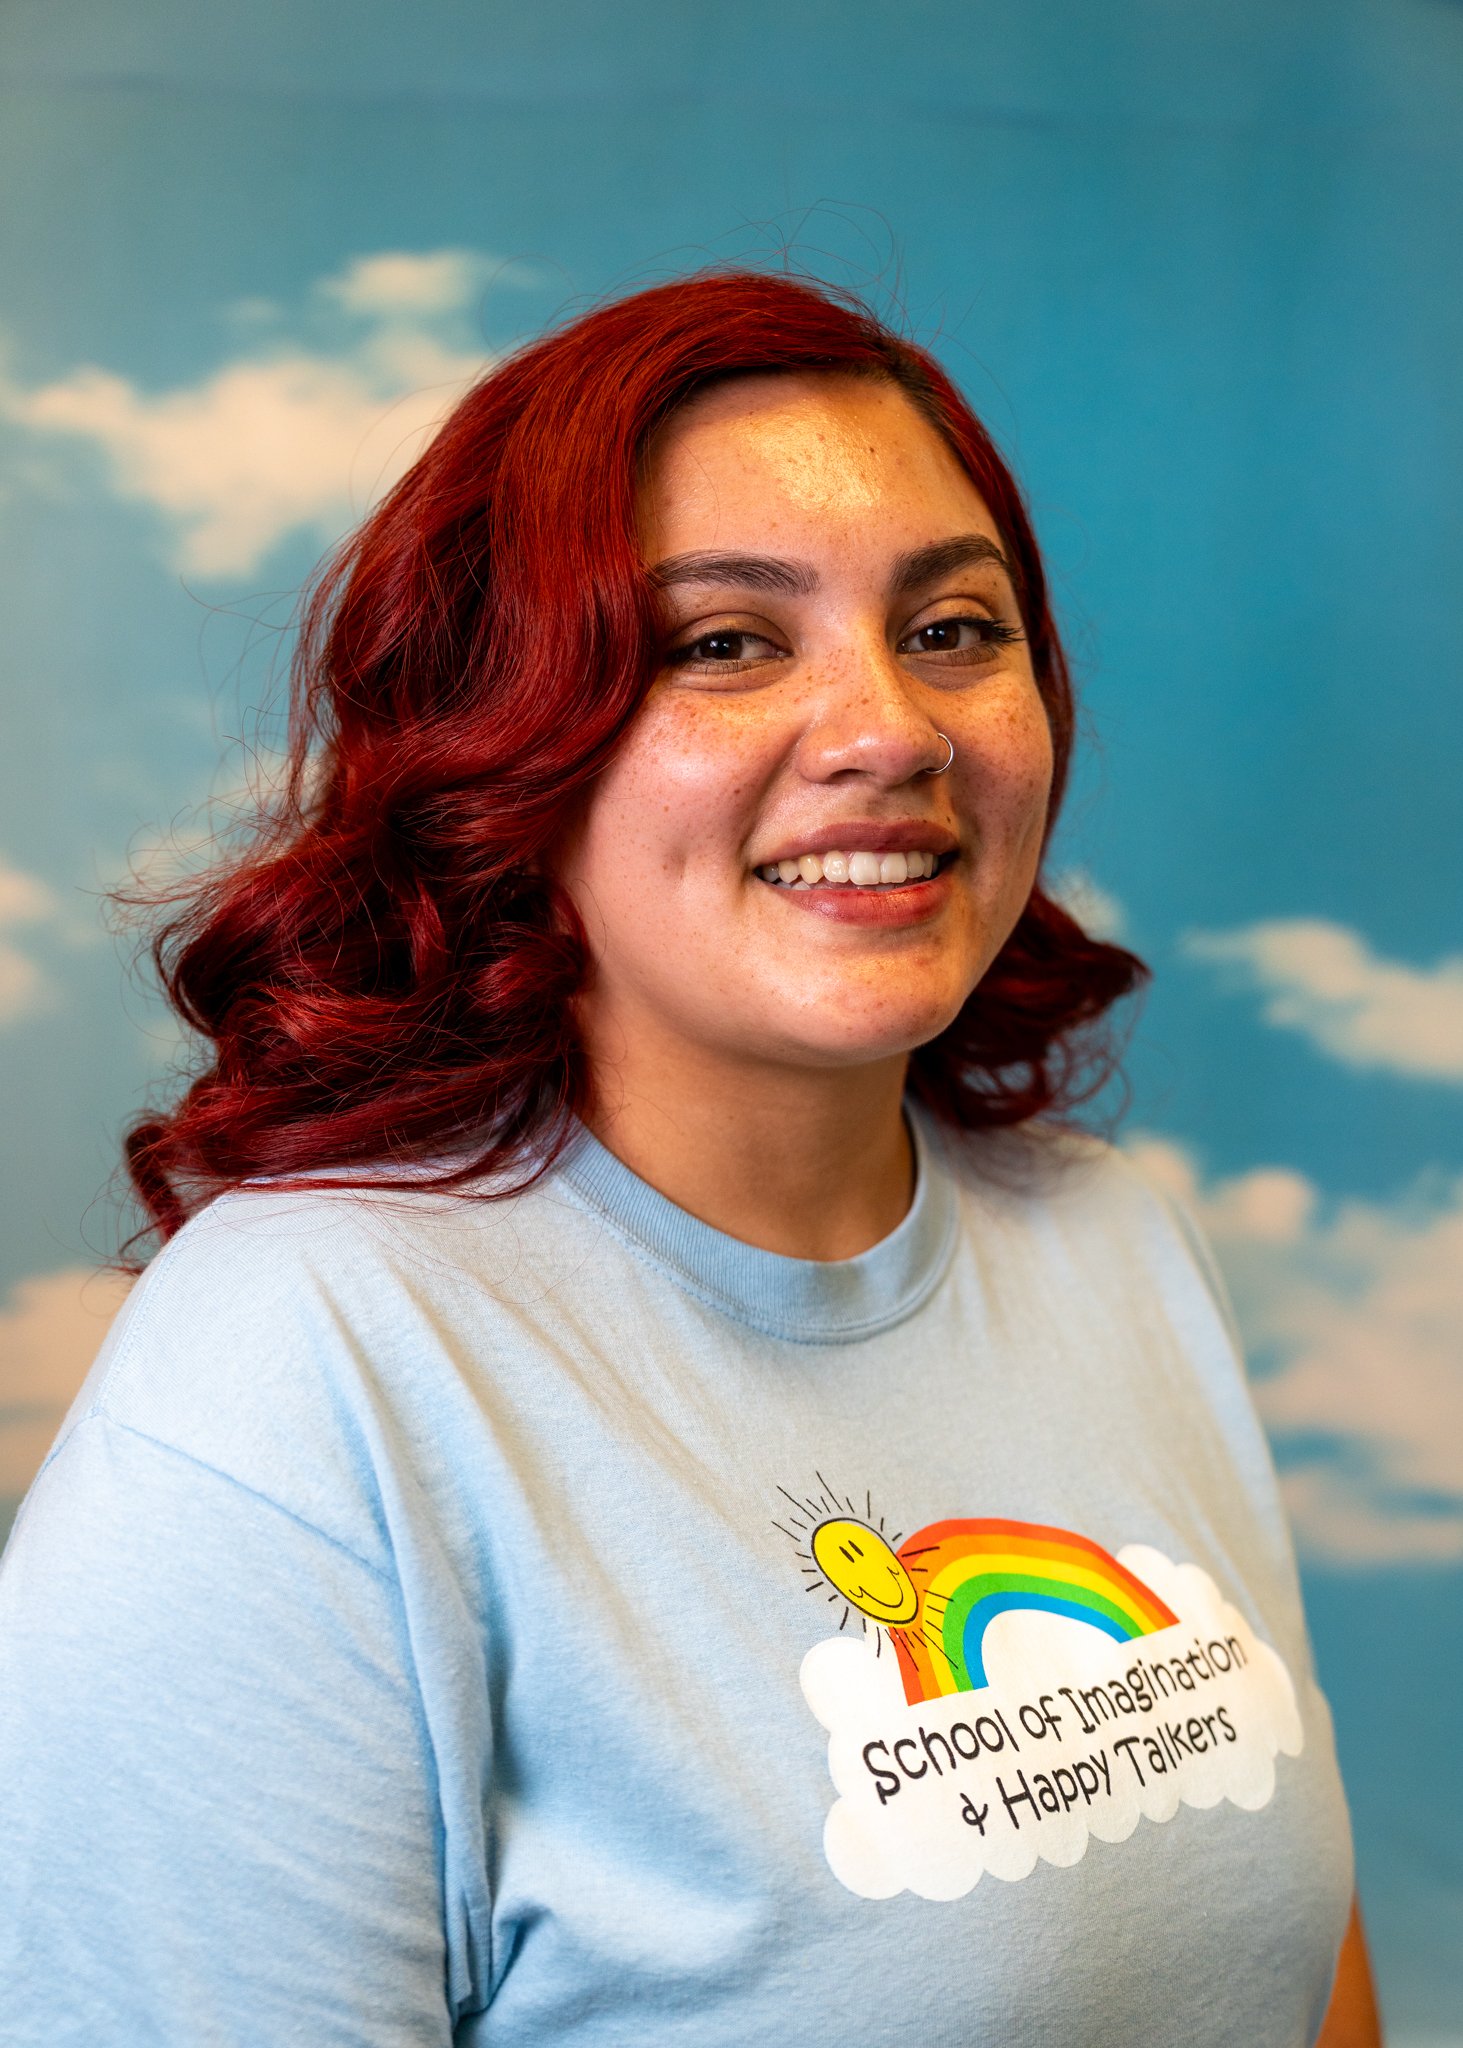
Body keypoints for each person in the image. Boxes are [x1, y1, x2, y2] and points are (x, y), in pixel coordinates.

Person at [0, 271, 1381, 2046]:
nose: (891, 729)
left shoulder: (1112, 1240)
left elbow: (1304, 1950)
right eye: (725, 642)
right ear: (504, 744)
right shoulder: (302, 1363)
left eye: (953, 627)